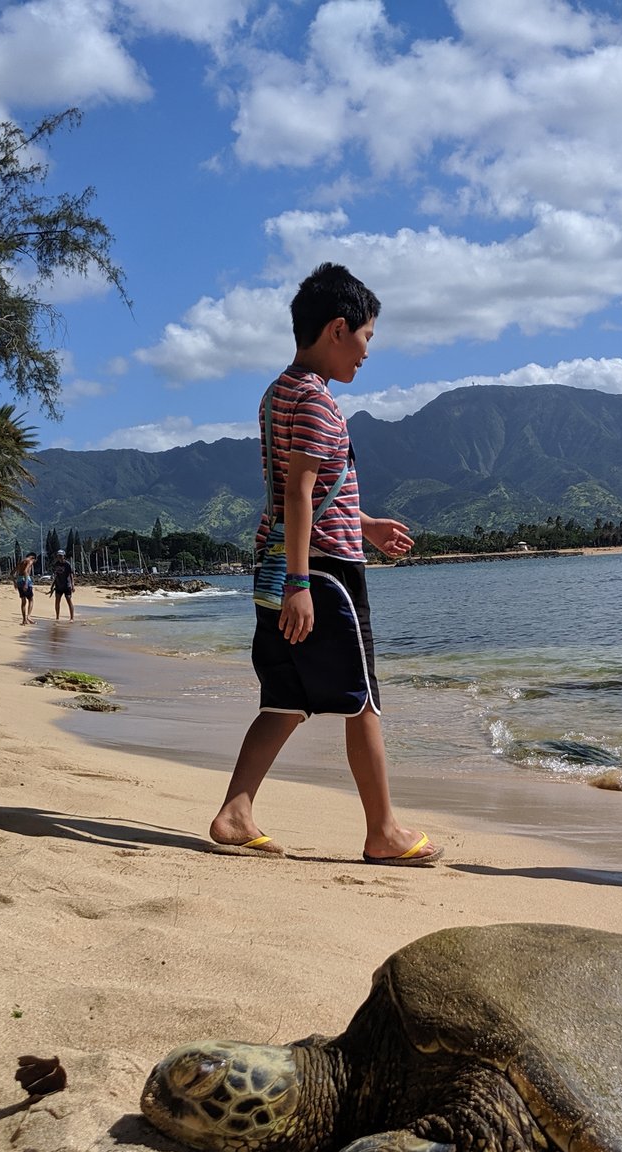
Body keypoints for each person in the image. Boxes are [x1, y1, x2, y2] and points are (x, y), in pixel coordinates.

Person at [208, 262, 439, 866]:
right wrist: (302, 582)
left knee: (285, 696)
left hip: (280, 562)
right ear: (338, 329)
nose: (366, 353)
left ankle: (236, 812)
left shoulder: (277, 393)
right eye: (365, 338)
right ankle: (383, 831)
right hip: (322, 574)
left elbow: (298, 492)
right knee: (361, 699)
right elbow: (300, 493)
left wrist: (365, 525)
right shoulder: (318, 403)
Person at [50, 549, 75, 619]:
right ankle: (57, 617)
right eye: (58, 556)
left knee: (69, 600)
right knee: (57, 601)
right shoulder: (56, 564)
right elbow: (56, 575)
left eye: (61, 556)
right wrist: (52, 586)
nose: (59, 557)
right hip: (58, 585)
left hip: (67, 585)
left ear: (64, 556)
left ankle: (72, 618)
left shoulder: (67, 564)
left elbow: (71, 575)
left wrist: (73, 585)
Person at [13, 553, 37, 624]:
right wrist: (26, 583)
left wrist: (15, 583)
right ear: (33, 558)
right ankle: (29, 616)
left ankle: (24, 620)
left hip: (19, 581)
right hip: (26, 580)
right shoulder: (30, 561)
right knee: (31, 599)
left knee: (23, 601)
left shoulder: (21, 562)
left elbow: (12, 573)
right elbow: (26, 571)